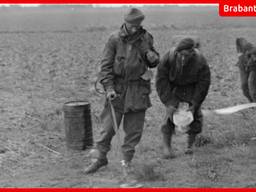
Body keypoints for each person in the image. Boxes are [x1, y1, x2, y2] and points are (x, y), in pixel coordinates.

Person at [85, 8, 159, 176]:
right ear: (125, 23)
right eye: (132, 25)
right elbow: (105, 68)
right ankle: (100, 158)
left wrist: (153, 58)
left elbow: (154, 61)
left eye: (138, 25)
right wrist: (109, 88)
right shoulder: (114, 40)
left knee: (133, 131)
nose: (135, 28)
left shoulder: (146, 38)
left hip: (138, 90)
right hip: (117, 90)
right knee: (108, 128)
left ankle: (126, 162)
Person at [156, 37, 210, 159]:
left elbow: (204, 83)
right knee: (169, 117)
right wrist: (169, 102)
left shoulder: (200, 60)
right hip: (174, 88)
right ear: (177, 52)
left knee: (195, 116)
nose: (183, 58)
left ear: (192, 52)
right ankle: (167, 147)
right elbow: (161, 81)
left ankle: (190, 146)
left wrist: (195, 103)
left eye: (186, 55)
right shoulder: (168, 58)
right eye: (181, 55)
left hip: (193, 88)